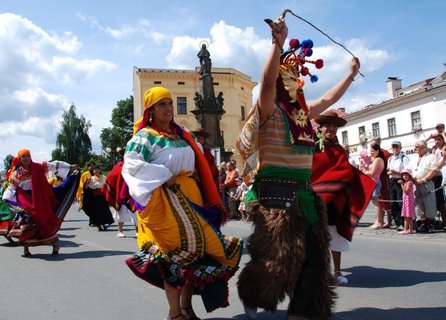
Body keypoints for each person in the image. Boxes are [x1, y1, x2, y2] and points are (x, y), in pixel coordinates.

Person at [236, 16, 360, 320]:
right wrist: (277, 44)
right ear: (280, 82)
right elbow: (265, 82)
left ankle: (303, 312)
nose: (296, 81)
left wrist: (351, 74)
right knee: (277, 260)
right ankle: (253, 294)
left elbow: (330, 98)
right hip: (275, 195)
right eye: (289, 76)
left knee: (314, 264)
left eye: (296, 76)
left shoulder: (303, 113)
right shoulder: (268, 108)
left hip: (306, 197)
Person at [121, 86, 243, 320]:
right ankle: (175, 312)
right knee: (174, 257)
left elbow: (198, 161)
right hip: (164, 200)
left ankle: (186, 307)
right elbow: (132, 165)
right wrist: (165, 176)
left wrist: (195, 174)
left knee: (197, 255)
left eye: (170, 103)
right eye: (162, 104)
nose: (168, 108)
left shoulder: (181, 134)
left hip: (191, 196)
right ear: (151, 109)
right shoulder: (145, 137)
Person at [311, 110, 375, 286]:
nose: (331, 129)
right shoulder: (311, 147)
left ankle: (337, 271)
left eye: (334, 126)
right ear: (320, 128)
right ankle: (319, 272)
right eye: (328, 125)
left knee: (334, 234)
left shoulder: (340, 150)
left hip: (335, 200)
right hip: (314, 199)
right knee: (315, 236)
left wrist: (340, 181)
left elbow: (345, 171)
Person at [2, 149, 79, 256]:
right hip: (25, 199)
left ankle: (54, 243)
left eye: (27, 156)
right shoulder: (17, 173)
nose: (25, 158)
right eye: (23, 157)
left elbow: (53, 165)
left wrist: (70, 167)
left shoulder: (39, 167)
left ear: (30, 157)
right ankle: (26, 249)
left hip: (41, 198)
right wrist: (6, 197)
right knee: (28, 222)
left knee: (45, 220)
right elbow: (12, 188)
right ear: (20, 159)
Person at [408, 140, 446, 233]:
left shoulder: (431, 157)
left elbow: (434, 170)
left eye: (417, 146)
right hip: (415, 183)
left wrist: (424, 179)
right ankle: (423, 223)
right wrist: (411, 179)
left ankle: (431, 223)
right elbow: (409, 169)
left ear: (423, 147)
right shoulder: (413, 157)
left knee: (429, 203)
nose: (415, 148)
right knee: (419, 204)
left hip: (427, 182)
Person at [361, 144, 386, 229]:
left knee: (376, 202)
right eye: (370, 151)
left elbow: (371, 173)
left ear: (377, 151)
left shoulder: (378, 160)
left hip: (375, 182)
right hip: (372, 182)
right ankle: (379, 221)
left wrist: (364, 171)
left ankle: (379, 221)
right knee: (375, 202)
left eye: (372, 151)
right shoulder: (374, 159)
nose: (370, 153)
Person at [387, 141, 410, 229]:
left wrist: (396, 172)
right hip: (392, 181)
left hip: (400, 180)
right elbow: (388, 170)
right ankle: (397, 222)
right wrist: (389, 172)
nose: (395, 149)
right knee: (393, 202)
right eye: (393, 147)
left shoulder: (404, 158)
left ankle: (403, 223)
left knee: (401, 201)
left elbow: (407, 171)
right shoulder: (390, 158)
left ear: (400, 148)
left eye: (396, 147)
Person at [370, 137, 392, 228]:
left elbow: (389, 165)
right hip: (376, 178)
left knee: (385, 199)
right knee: (379, 200)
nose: (372, 147)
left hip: (383, 178)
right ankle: (379, 220)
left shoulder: (385, 153)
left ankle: (388, 220)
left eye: (374, 144)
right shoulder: (373, 154)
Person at [86, 166, 114, 231]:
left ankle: (104, 224)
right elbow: (86, 188)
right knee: (96, 212)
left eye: (97, 169)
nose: (96, 171)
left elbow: (108, 185)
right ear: (93, 171)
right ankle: (99, 226)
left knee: (104, 210)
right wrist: (87, 184)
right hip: (95, 197)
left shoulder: (104, 177)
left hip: (103, 197)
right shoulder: (91, 178)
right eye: (95, 170)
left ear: (100, 170)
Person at [431, 134, 446, 229]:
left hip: (442, 175)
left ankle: (445, 221)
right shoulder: (435, 150)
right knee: (438, 200)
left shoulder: (444, 149)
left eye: (439, 139)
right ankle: (441, 221)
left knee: (441, 201)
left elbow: (439, 165)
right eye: (435, 140)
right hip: (437, 176)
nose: (437, 141)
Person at [76, 162, 95, 226]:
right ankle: (93, 219)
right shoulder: (85, 174)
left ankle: (92, 221)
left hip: (94, 192)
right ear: (88, 167)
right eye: (91, 166)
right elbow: (81, 183)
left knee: (92, 207)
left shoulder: (96, 173)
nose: (92, 167)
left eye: (93, 166)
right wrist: (81, 192)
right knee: (84, 207)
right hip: (86, 192)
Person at [398, 168, 416, 234]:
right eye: (403, 175)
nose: (405, 176)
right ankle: (406, 229)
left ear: (409, 175)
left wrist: (401, 184)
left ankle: (410, 229)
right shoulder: (406, 182)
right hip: (406, 200)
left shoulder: (409, 182)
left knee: (409, 216)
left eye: (406, 175)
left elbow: (406, 191)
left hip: (409, 200)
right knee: (406, 215)